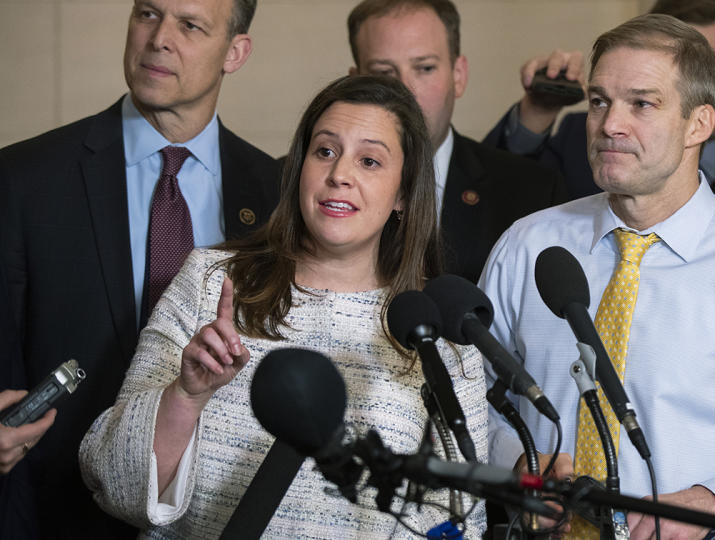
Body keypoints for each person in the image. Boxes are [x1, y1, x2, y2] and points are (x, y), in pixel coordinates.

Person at [479, 14, 715, 539]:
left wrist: (712, 503)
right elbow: (467, 401)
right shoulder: (528, 246)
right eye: (598, 101)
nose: (610, 124)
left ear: (699, 123)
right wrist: (518, 464)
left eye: (641, 103)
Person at [79, 75, 488, 538]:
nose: (339, 175)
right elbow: (112, 483)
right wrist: (185, 397)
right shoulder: (211, 280)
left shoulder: (437, 326)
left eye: (369, 160)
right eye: (325, 151)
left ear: (402, 194)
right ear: (300, 168)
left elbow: (460, 517)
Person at [0, 0, 280, 536]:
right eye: (148, 14)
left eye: (190, 25)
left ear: (235, 52)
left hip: (218, 517)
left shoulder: (275, 195)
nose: (159, 39)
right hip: (56, 515)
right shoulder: (23, 179)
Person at [347, 0, 567, 283]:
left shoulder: (534, 194)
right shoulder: (305, 185)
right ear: (354, 83)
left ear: (458, 75)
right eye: (383, 73)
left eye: (425, 68)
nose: (405, 92)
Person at [483, 0, 715, 201]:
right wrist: (537, 113)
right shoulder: (580, 140)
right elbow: (495, 200)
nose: (708, 84)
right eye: (599, 102)